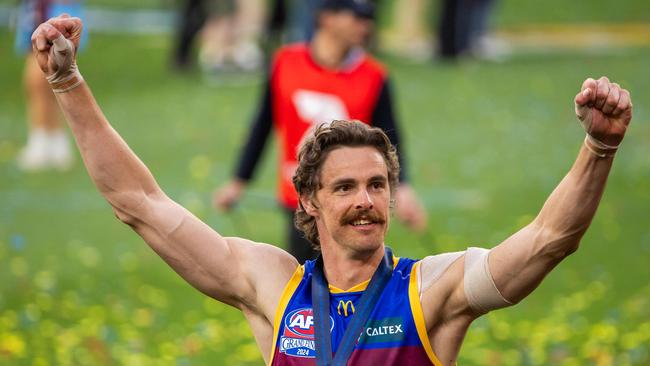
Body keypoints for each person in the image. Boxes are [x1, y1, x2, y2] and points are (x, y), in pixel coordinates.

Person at [33, 14, 632, 366]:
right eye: (345, 187)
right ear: (310, 201)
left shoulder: (431, 292)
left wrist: (598, 148)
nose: (366, 200)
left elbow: (551, 239)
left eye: (378, 184)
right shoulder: (272, 285)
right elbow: (139, 204)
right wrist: (68, 82)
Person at [213, 0, 427, 263]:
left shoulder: (374, 76)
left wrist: (401, 188)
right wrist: (239, 180)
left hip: (349, 201)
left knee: (350, 277)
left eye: (368, 18)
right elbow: (263, 123)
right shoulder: (285, 63)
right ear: (327, 18)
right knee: (304, 281)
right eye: (356, 17)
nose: (365, 25)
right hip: (298, 196)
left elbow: (390, 139)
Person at [14, 0, 86, 171]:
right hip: (41, 8)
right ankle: (54, 143)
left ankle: (42, 144)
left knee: (39, 79)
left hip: (50, 9)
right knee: (47, 82)